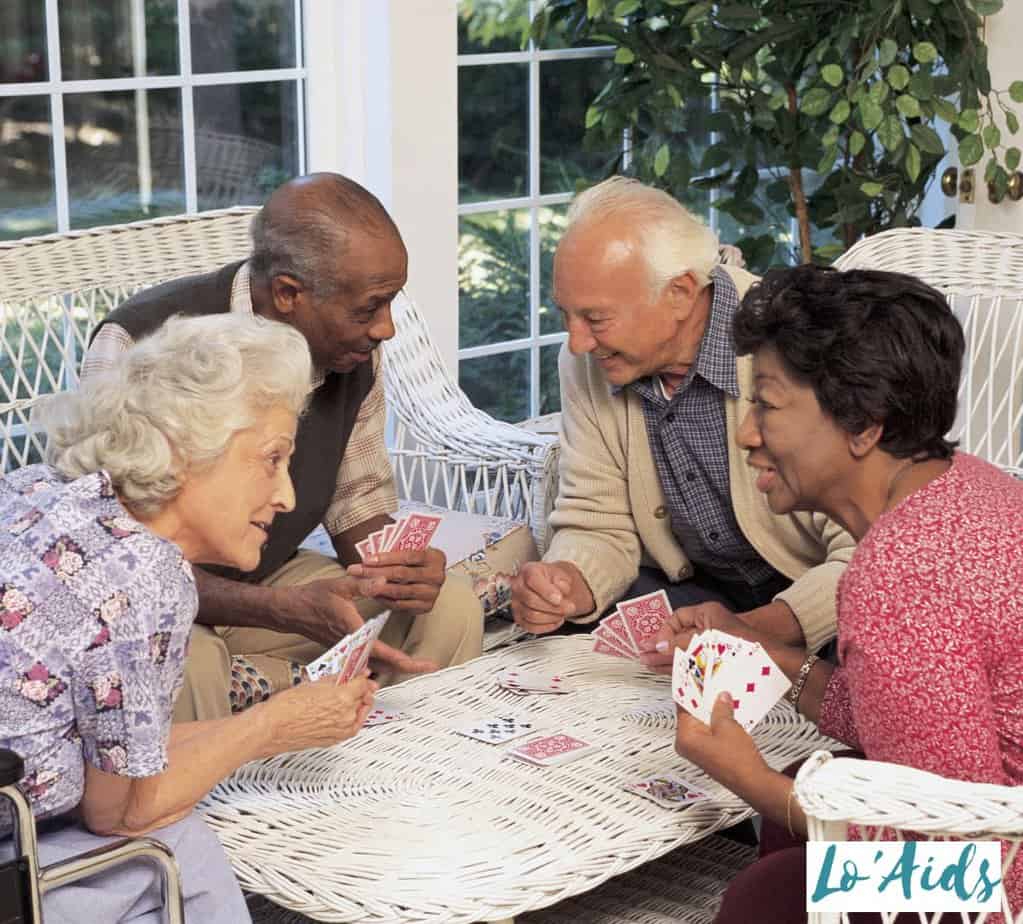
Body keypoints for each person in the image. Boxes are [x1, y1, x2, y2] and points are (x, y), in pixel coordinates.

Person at [665, 264, 1022, 922]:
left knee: (760, 896)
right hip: (998, 832)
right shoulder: (967, 482)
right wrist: (770, 654)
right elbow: (914, 724)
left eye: (766, 405)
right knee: (808, 793)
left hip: (1001, 883)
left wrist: (748, 779)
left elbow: (957, 863)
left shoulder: (900, 573)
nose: (746, 432)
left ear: (863, 423)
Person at [0, 314, 380, 923]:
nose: (285, 495)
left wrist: (284, 715)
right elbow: (119, 810)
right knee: (180, 842)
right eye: (272, 459)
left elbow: (124, 757)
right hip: (14, 862)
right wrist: (274, 727)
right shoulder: (145, 575)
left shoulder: (41, 489)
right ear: (186, 450)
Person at [81, 172, 483, 723]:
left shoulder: (352, 351)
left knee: (449, 604)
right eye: (369, 308)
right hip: (154, 602)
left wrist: (399, 569)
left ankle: (399, 778)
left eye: (391, 303)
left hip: (270, 581)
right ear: (289, 294)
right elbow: (114, 560)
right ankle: (200, 806)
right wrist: (280, 611)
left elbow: (357, 501)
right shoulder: (136, 345)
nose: (386, 328)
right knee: (186, 662)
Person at [510, 177, 853, 655]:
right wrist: (565, 583)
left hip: (813, 595)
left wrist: (759, 630)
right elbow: (596, 521)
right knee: (585, 640)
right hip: (692, 594)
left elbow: (869, 549)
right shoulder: (587, 362)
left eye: (595, 318)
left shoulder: (801, 345)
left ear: (680, 293)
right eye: (565, 314)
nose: (577, 342)